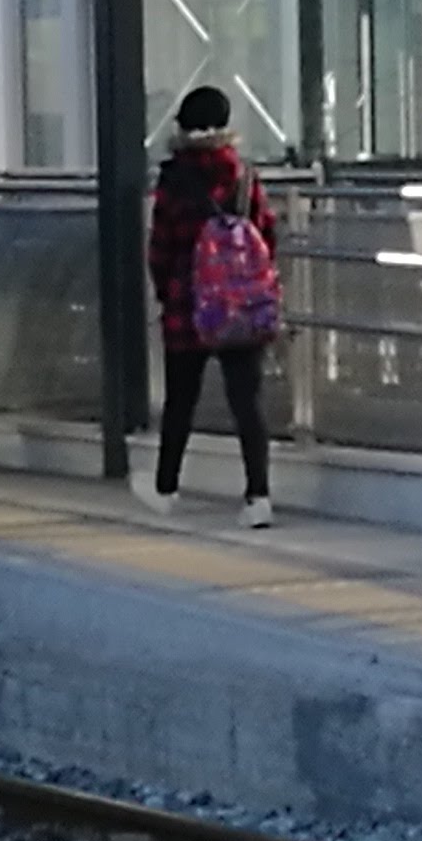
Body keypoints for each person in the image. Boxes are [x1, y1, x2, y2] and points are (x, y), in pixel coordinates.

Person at [145, 86, 278, 526]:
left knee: (181, 400)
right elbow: (266, 233)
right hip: (240, 303)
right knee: (247, 401)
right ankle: (258, 497)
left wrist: (167, 293)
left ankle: (165, 490)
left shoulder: (174, 179)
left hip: (189, 305)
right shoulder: (243, 175)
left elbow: (160, 246)